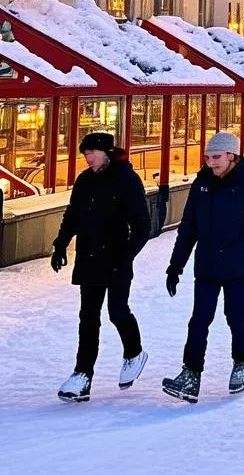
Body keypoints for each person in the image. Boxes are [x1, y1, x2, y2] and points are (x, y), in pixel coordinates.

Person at [162, 132, 244, 403]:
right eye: (207, 157)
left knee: (235, 315)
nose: (210, 162)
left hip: (238, 264)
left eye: (216, 157)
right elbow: (188, 227)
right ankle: (191, 373)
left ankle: (241, 362)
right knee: (199, 319)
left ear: (231, 156)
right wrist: (175, 265)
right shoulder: (201, 184)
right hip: (206, 264)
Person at [51, 132, 150, 403]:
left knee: (117, 311)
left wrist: (126, 255)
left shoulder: (127, 179)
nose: (88, 157)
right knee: (88, 318)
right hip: (89, 257)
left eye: (92, 152)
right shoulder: (84, 180)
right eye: (85, 153)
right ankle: (82, 375)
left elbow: (143, 226)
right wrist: (60, 245)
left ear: (107, 152)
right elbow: (72, 215)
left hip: (117, 257)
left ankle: (134, 352)